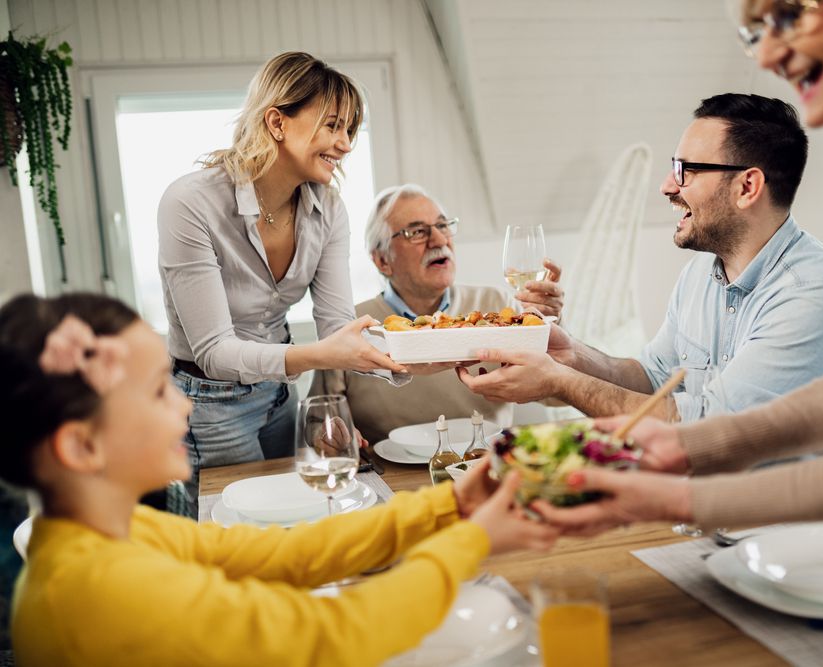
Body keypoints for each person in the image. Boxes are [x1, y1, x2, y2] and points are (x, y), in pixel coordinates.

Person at [531, 0, 823, 535]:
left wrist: (681, 495)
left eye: (787, 16)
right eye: (756, 32)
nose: (769, 55)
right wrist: (680, 447)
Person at [1, 293, 557, 667]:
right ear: (81, 446)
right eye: (156, 392)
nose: (185, 406)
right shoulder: (107, 590)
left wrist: (450, 506)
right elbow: (332, 635)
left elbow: (287, 554)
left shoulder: (114, 534)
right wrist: (473, 539)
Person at [458, 94, 823, 427]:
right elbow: (654, 380)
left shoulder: (815, 296)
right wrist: (572, 355)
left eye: (684, 170)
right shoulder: (700, 276)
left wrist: (560, 382)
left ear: (747, 187)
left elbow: (712, 428)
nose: (667, 186)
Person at [158, 52, 406, 506]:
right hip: (209, 404)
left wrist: (412, 357)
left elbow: (337, 326)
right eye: (333, 126)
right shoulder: (191, 203)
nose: (346, 144)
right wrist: (318, 356)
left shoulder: (328, 209)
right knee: (239, 532)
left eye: (350, 130)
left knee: (294, 515)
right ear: (276, 122)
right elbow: (214, 353)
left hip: (279, 396)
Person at [311, 184, 564, 443]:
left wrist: (550, 325)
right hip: (389, 466)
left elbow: (555, 395)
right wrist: (329, 436)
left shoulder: (498, 306)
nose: (440, 240)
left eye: (442, 226)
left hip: (487, 461)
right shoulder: (350, 326)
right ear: (382, 261)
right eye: (417, 232)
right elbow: (316, 420)